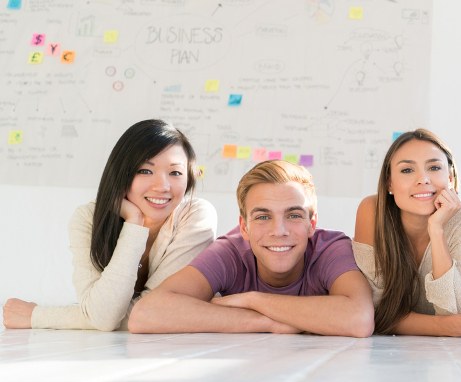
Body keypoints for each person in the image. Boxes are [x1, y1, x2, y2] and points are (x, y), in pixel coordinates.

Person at [2, 119, 217, 331]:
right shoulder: (88, 218)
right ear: (121, 173)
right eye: (145, 170)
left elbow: (148, 313)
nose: (162, 186)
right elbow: (104, 316)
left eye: (175, 173)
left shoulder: (196, 216)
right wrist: (134, 222)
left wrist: (39, 316)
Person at [128, 160, 374, 337]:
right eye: (263, 217)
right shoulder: (231, 252)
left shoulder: (331, 249)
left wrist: (252, 299)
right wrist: (266, 323)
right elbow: (145, 314)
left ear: (312, 224)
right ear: (244, 228)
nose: (279, 231)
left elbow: (359, 319)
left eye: (294, 215)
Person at [353, 129, 461, 338]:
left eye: (434, 167)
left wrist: (437, 230)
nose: (423, 179)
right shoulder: (372, 211)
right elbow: (376, 311)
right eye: (407, 170)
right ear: (389, 182)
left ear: (450, 177)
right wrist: (454, 326)